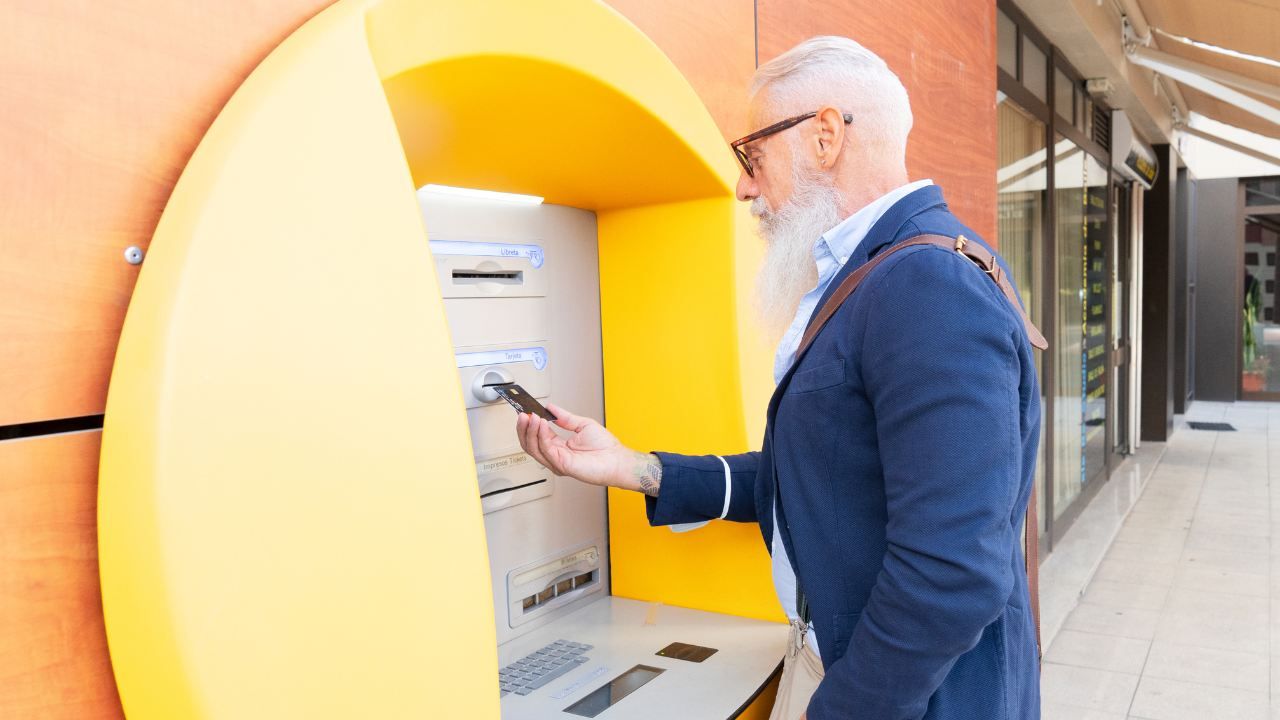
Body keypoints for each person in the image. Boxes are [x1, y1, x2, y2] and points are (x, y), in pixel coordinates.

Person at [515, 35, 1042, 720]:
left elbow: (951, 574)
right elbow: (821, 476)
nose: (743, 186)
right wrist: (635, 467)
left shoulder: (926, 287)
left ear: (826, 136)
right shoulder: (877, 276)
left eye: (751, 155)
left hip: (914, 698)